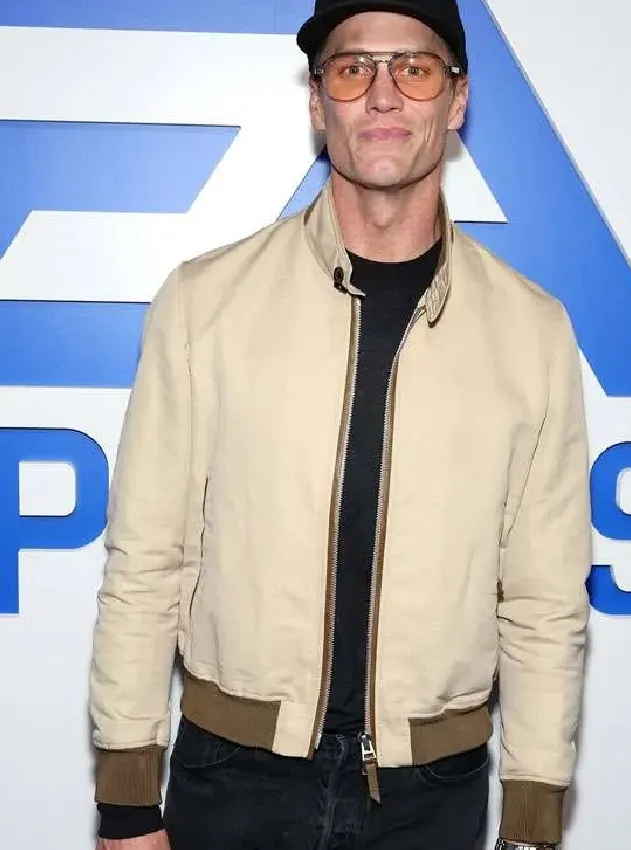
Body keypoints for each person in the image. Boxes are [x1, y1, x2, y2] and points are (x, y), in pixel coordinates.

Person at [89, 0, 592, 848]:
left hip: (434, 794)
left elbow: (544, 600)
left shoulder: (532, 332)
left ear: (457, 100)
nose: (384, 94)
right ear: (319, 103)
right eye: (354, 69)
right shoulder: (205, 304)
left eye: (415, 69)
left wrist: (533, 823)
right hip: (232, 777)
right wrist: (128, 796)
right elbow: (147, 557)